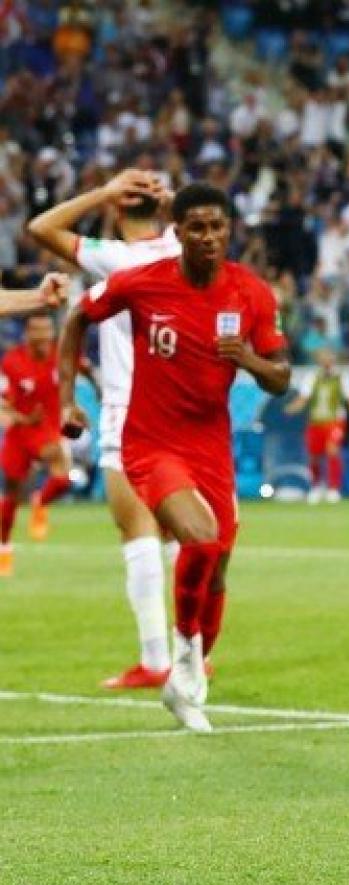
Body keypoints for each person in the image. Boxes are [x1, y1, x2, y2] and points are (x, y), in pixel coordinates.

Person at [59, 182, 291, 731]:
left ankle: (187, 672)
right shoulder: (142, 283)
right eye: (197, 228)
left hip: (211, 446)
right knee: (200, 538)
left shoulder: (251, 293)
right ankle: (184, 661)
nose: (208, 237)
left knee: (218, 567)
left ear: (229, 230)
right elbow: (76, 320)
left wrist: (251, 362)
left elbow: (281, 377)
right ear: (178, 232)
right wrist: (67, 398)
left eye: (217, 227)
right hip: (151, 443)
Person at [27, 168, 182, 687]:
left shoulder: (115, 258)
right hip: (183, 412)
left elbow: (41, 226)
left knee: (136, 529)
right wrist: (171, 200)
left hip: (129, 410)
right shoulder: (187, 248)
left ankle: (157, 660)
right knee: (184, 531)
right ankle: (193, 652)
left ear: (118, 211)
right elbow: (211, 218)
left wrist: (103, 191)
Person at [1, 312, 76, 574]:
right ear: (27, 334)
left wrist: (74, 411)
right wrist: (19, 416)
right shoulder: (12, 362)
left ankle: (40, 502)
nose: (43, 335)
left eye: (48, 330)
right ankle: (4, 549)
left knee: (63, 477)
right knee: (10, 496)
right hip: (20, 433)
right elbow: (2, 403)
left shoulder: (62, 356)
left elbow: (73, 385)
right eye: (38, 330)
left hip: (47, 431)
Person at [283, 347, 349, 504]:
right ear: (318, 360)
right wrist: (291, 409)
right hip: (316, 421)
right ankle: (316, 487)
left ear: (333, 359)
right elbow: (303, 399)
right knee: (314, 457)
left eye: (329, 357)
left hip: (335, 421)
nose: (326, 361)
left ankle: (333, 489)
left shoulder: (342, 378)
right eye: (323, 357)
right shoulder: (312, 378)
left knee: (332, 450)